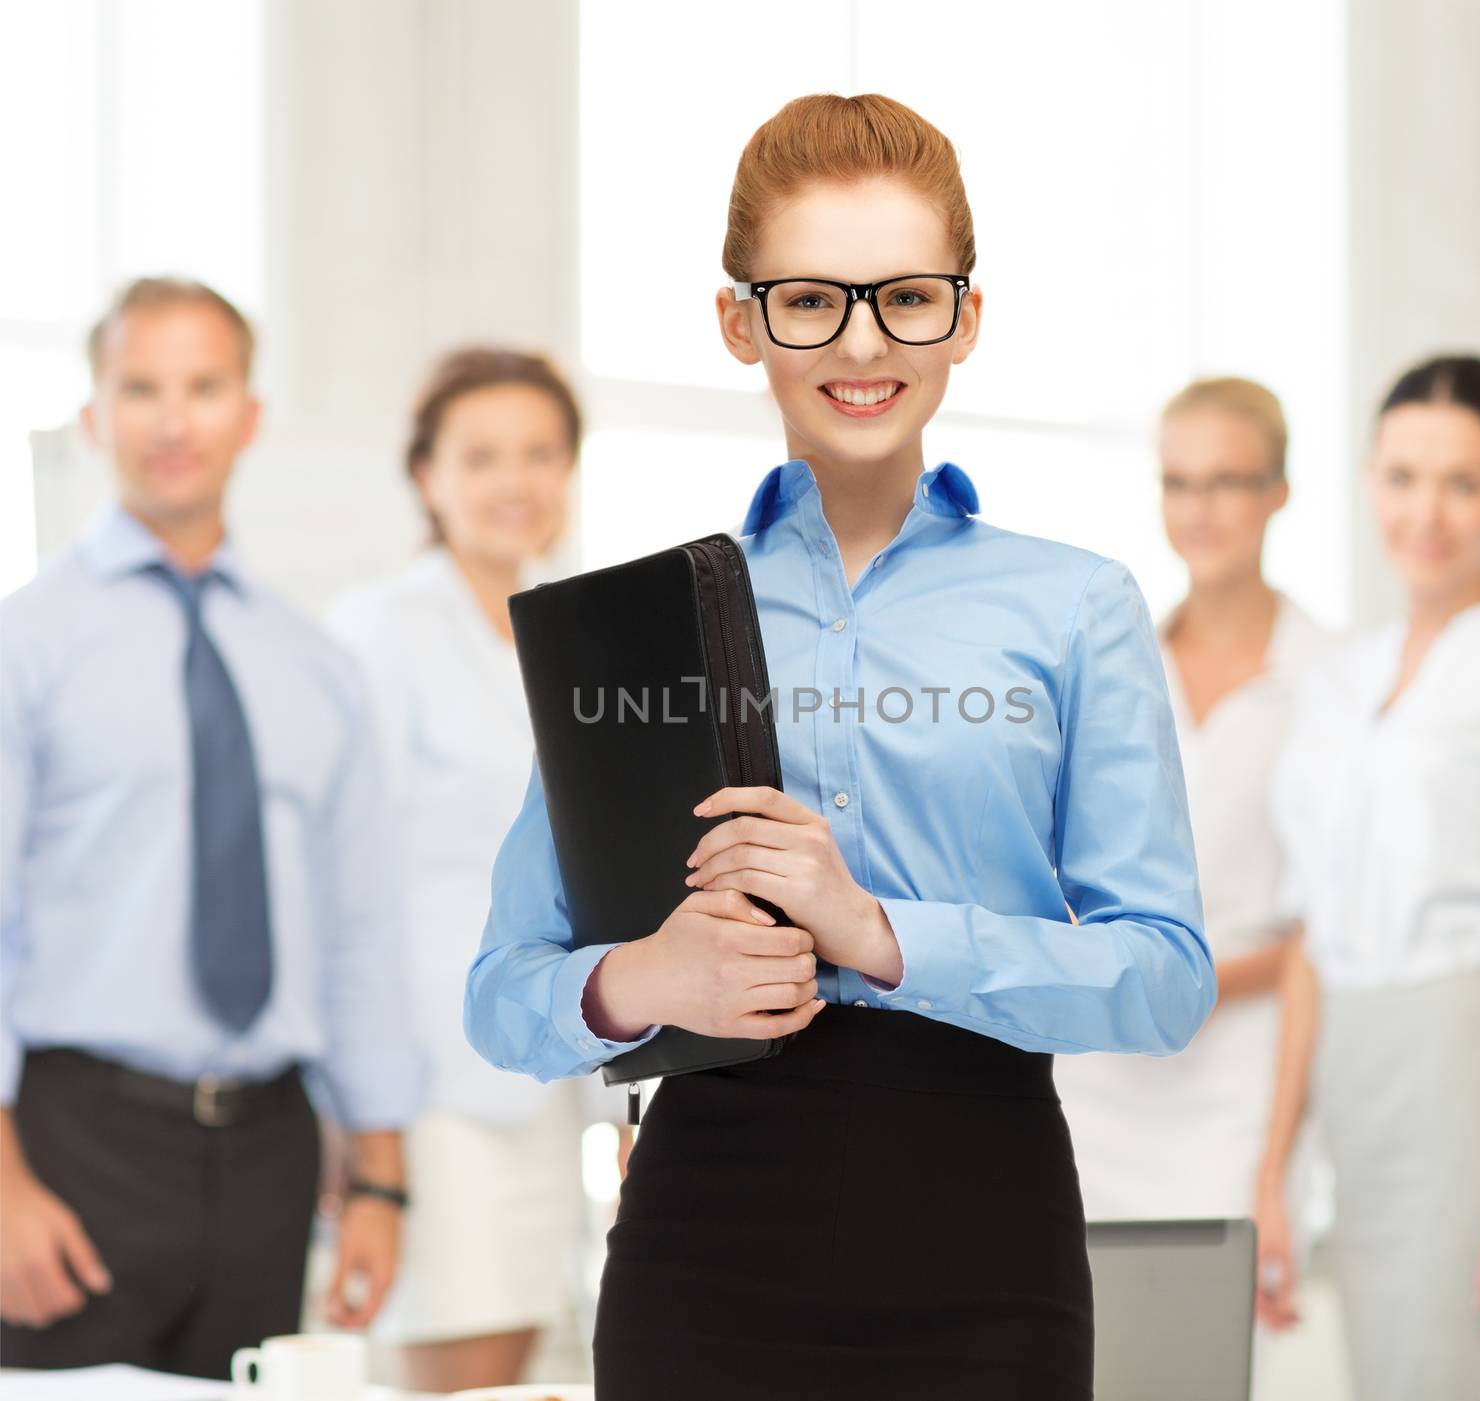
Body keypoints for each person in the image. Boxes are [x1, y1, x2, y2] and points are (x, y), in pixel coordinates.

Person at [463, 94, 1216, 1400]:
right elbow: (502, 995)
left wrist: (878, 931)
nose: (862, 341)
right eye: (811, 298)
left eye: (907, 297)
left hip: (986, 1236)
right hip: (703, 1238)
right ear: (739, 319)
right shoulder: (641, 625)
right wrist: (647, 977)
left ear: (966, 316)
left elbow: (1163, 978)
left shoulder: (1076, 607)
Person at [0, 277, 424, 1377]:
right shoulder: (27, 646)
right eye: (140, 387)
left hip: (271, 1155)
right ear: (94, 416)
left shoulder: (316, 668)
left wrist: (379, 1178)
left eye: (203, 386)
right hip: (72, 1145)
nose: (173, 420)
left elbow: (360, 931)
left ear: (251, 415)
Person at [1253, 354, 1480, 1401]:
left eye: (1461, 482)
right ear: (1366, 480)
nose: (1427, 512)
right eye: (1402, 477)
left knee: (1476, 1371)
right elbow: (1311, 936)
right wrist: (1275, 1170)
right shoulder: (1335, 683)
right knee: (1392, 1372)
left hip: (1470, 1071)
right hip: (1355, 1077)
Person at [324, 347, 592, 1393]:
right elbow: (348, 886)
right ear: (426, 476)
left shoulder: (569, 627)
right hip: (430, 1088)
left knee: (517, 1367)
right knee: (456, 1377)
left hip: (547, 1072)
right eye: (481, 455)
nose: (513, 480)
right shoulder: (379, 630)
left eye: (539, 452)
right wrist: (360, 1129)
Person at [1056, 377, 1328, 1222]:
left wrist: (1186, 978)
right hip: (1098, 1071)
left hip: (1238, 1077)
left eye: (1226, 481)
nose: (1199, 508)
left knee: (1216, 1336)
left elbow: (1326, 930)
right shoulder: (1102, 661)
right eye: (1179, 482)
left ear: (1278, 492)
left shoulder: (1332, 679)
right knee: (1085, 1343)